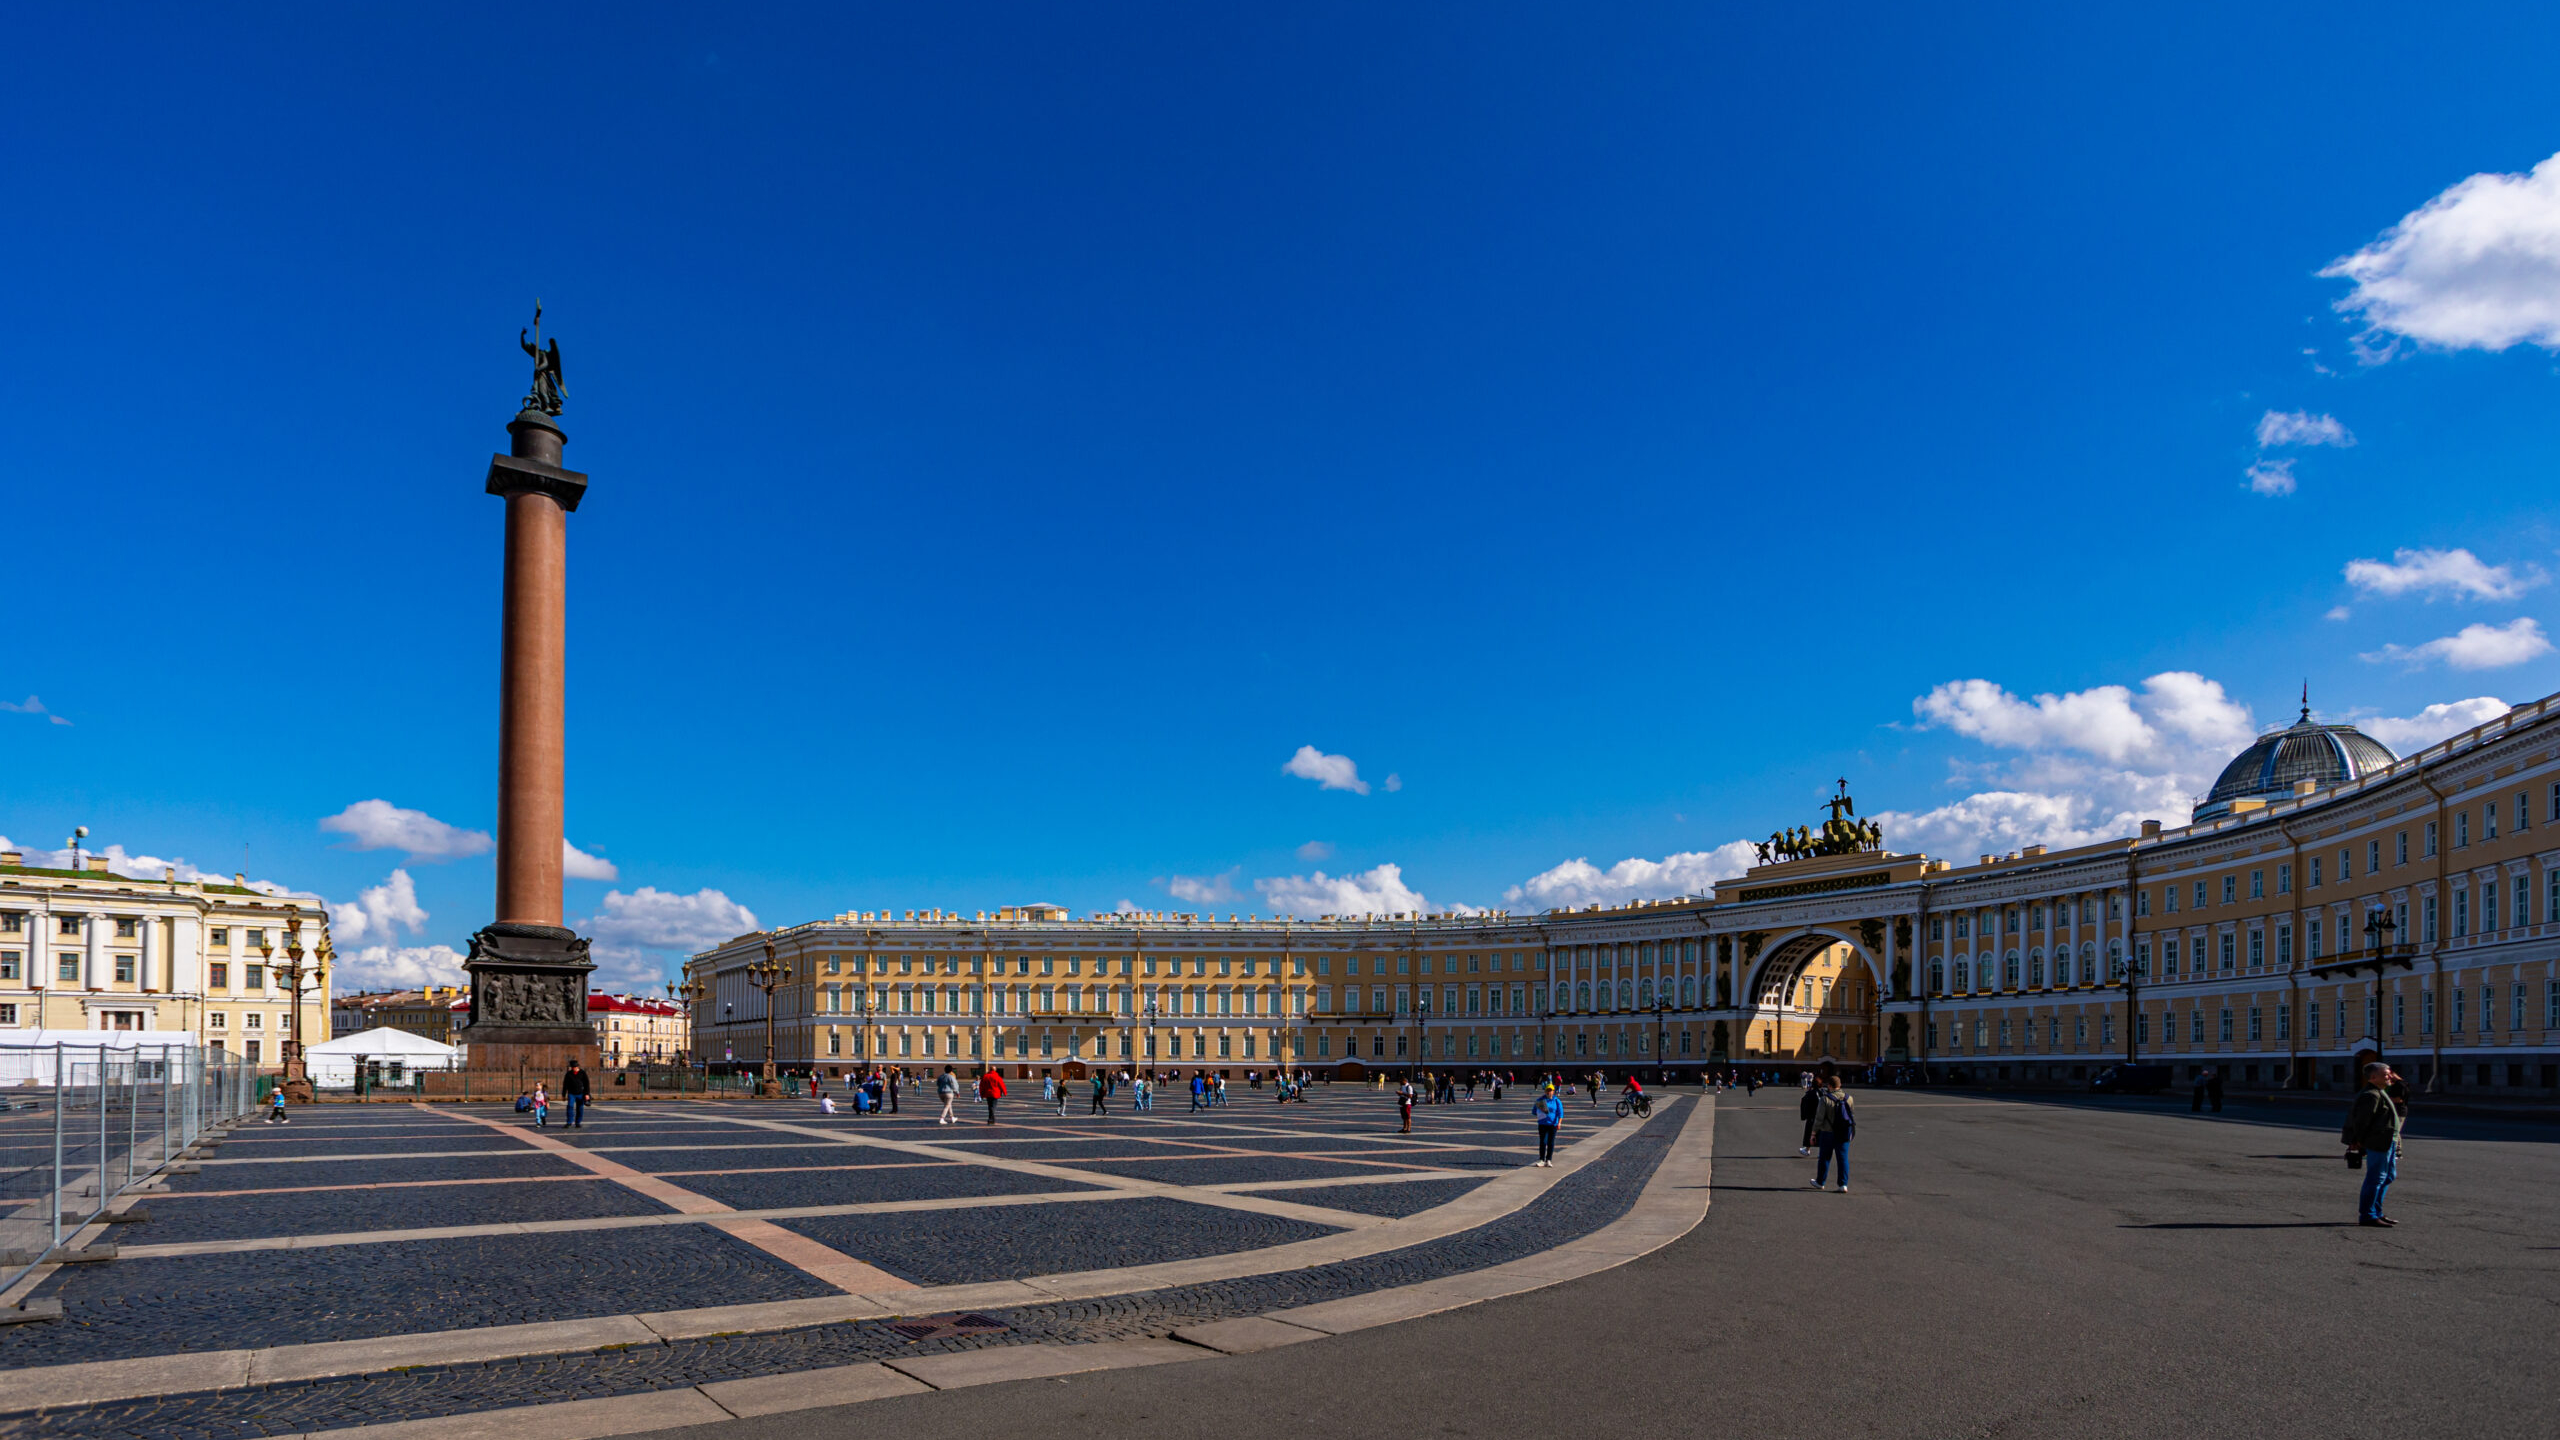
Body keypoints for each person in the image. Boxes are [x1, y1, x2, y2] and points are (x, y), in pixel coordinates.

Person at [2343, 1061, 2405, 1227]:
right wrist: (2357, 1142)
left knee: (2388, 1176)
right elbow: (2361, 1122)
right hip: (2378, 1142)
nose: (2389, 1076)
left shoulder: (2380, 1092)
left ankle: (2377, 1212)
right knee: (2376, 1178)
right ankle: (2368, 1215)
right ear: (2373, 1077)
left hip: (2387, 1142)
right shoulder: (2370, 1095)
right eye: (2385, 1074)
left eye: (2389, 1073)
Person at [1809, 1074, 1855, 1192]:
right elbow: (1851, 1115)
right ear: (1840, 1085)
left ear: (1829, 1086)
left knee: (1824, 1158)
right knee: (1843, 1158)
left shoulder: (1825, 1099)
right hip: (1844, 1133)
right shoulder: (1849, 1098)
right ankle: (1843, 1184)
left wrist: (1813, 1133)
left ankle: (1820, 1182)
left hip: (1828, 1132)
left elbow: (1819, 1118)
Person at [1533, 1083, 1563, 1167]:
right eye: (1548, 1090)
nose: (1549, 1092)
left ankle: (1548, 1160)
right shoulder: (1540, 1100)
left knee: (1551, 1142)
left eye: (1551, 1090)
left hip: (1553, 1124)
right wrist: (1540, 1112)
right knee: (1543, 1142)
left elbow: (1560, 1113)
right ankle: (1542, 1160)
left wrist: (1559, 1122)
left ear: (1553, 1091)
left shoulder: (1557, 1100)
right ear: (1545, 1091)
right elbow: (1534, 1111)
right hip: (1542, 1124)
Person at [562, 1062, 591, 1128]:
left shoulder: (582, 1073)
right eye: (572, 1067)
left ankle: (578, 1122)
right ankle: (569, 1122)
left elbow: (586, 1084)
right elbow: (565, 1084)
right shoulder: (569, 1074)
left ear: (577, 1067)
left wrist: (587, 1094)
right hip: (571, 1093)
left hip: (581, 1093)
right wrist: (563, 1094)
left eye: (574, 1067)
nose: (573, 1069)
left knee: (580, 1108)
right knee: (570, 1106)